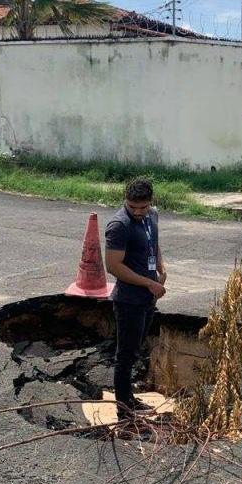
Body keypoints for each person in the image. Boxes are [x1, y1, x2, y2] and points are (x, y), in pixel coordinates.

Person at [105, 177, 167, 418]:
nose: (138, 212)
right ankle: (124, 409)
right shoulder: (119, 225)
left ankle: (129, 398)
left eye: (143, 207)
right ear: (125, 200)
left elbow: (153, 243)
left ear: (151, 202)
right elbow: (113, 266)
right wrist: (149, 283)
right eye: (133, 207)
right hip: (129, 300)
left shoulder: (153, 215)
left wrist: (161, 267)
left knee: (135, 350)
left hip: (147, 298)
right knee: (125, 355)